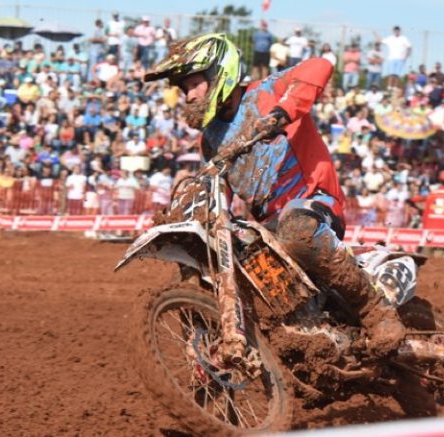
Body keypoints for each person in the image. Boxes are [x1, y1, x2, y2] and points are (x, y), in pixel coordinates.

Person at [144, 33, 409, 357]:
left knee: (295, 228)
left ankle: (375, 310)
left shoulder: (268, 91)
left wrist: (282, 112)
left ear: (218, 73)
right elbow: (218, 195)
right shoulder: (210, 140)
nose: (189, 95)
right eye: (184, 89)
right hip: (269, 229)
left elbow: (321, 64)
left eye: (194, 84)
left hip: (315, 203)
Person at [380, 26, 412, 90]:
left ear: (400, 31)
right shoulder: (390, 38)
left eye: (398, 30)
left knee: (397, 74)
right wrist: (375, 33)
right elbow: (381, 41)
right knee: (391, 73)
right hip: (391, 58)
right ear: (393, 31)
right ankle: (389, 86)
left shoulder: (403, 38)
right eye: (395, 30)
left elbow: (409, 47)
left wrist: (406, 56)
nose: (396, 32)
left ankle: (395, 86)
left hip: (400, 59)